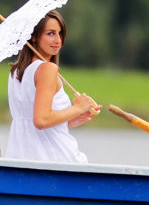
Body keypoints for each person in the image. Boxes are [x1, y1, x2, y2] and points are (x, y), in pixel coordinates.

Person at [6, 9, 101, 162]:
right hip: (54, 160)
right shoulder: (47, 69)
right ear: (34, 36)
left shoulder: (16, 72)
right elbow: (41, 120)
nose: (58, 40)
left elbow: (32, 123)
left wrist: (72, 119)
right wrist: (76, 108)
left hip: (21, 159)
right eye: (50, 33)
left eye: (60, 33)